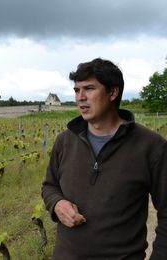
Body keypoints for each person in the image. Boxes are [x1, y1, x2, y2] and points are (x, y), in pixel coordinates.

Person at [41, 58, 167, 259]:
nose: (80, 97)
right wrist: (56, 203)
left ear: (113, 92)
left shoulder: (151, 146)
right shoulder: (64, 142)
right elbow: (49, 186)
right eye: (76, 90)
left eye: (89, 89)